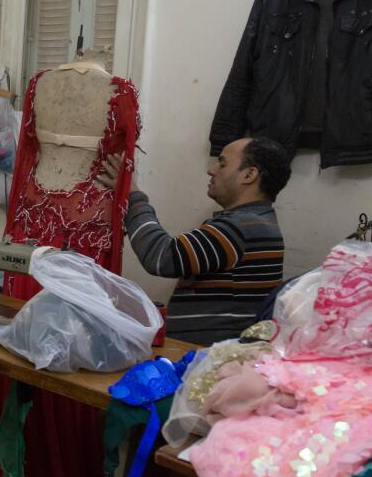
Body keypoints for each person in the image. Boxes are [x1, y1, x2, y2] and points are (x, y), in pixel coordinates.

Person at [97, 136, 291, 345]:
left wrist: (133, 197)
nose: (212, 170)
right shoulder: (258, 222)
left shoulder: (240, 228)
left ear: (249, 175)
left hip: (209, 358)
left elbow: (161, 257)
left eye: (222, 163)